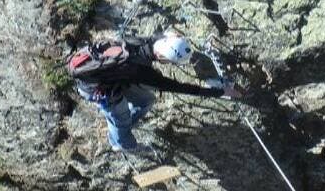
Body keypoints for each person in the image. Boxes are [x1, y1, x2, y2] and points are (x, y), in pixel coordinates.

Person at [70, 33, 242, 152]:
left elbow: (155, 38)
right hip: (99, 89)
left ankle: (127, 125)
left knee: (146, 100)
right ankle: (122, 144)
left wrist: (168, 37)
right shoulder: (143, 73)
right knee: (119, 117)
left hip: (116, 78)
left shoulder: (137, 42)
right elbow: (181, 88)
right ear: (163, 58)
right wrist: (219, 92)